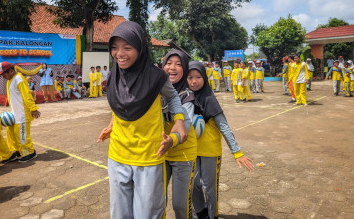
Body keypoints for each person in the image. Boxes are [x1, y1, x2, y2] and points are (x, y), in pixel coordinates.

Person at [97, 21, 187, 219]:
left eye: (127, 48)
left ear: (140, 48)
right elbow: (120, 105)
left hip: (149, 155)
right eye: (114, 48)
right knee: (119, 214)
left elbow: (172, 97)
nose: (119, 53)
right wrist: (112, 124)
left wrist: (179, 120)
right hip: (118, 154)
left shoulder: (156, 77)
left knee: (147, 214)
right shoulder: (113, 75)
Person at [187, 62, 254, 219]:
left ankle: (212, 215)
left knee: (209, 187)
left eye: (198, 77)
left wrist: (237, 152)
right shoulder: (184, 98)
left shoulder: (210, 99)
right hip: (191, 150)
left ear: (204, 78)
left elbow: (224, 127)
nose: (194, 81)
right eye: (190, 77)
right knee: (194, 185)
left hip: (210, 151)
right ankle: (200, 210)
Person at [162, 50, 197, 219]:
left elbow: (186, 125)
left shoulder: (186, 95)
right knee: (158, 201)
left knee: (180, 206)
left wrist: (172, 139)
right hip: (161, 154)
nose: (172, 67)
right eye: (169, 63)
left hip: (183, 155)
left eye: (178, 64)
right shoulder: (156, 92)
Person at [0, 61, 40, 162]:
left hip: (23, 113)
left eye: (3, 74)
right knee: (12, 133)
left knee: (21, 134)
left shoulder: (19, 79)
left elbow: (26, 94)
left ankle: (30, 152)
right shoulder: (10, 80)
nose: (3, 77)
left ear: (11, 71)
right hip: (16, 113)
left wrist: (33, 108)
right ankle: (18, 151)